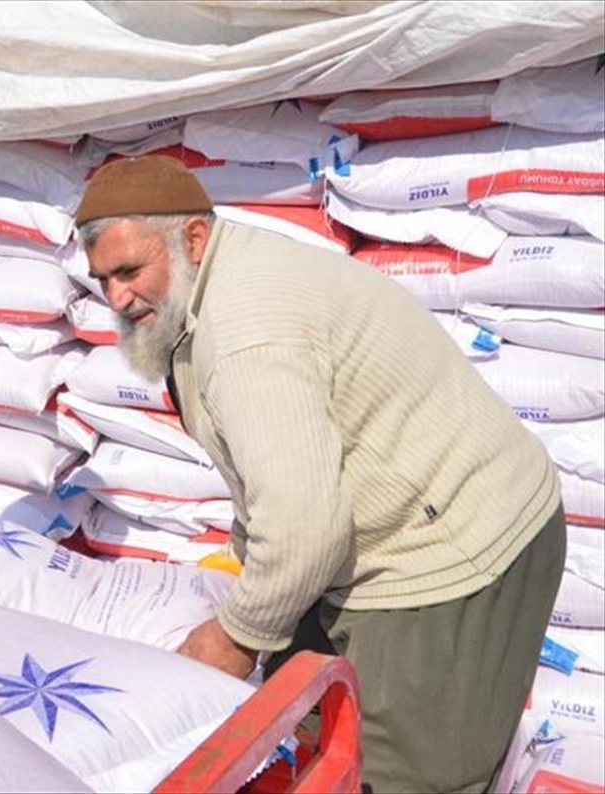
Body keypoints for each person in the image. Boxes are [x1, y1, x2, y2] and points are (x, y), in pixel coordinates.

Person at [75, 155, 566, 793]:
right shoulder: (216, 282)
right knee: (303, 710)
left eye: (130, 271)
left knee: (401, 775)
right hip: (392, 526)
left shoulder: (246, 335)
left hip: (456, 552)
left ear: (193, 239)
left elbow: (304, 526)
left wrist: (236, 636)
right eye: (102, 279)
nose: (117, 298)